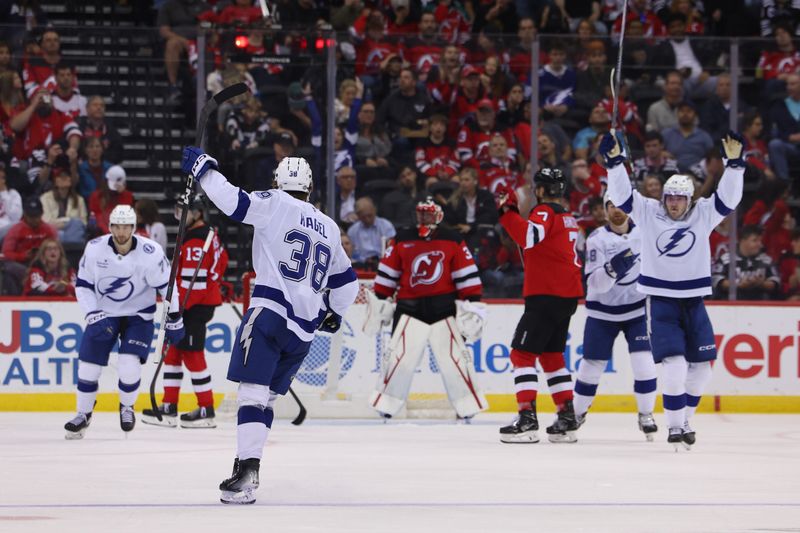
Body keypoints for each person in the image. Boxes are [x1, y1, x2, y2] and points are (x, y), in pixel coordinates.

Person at [180, 149, 358, 504]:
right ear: (310, 187)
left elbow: (233, 203)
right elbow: (347, 286)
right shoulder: (329, 226)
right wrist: (333, 312)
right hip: (304, 331)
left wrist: (204, 171)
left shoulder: (275, 202)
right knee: (267, 399)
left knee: (251, 394)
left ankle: (247, 469)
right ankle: (246, 468)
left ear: (278, 182)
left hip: (269, 313)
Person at [600, 129, 744, 450]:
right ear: (663, 197)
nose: (675, 203)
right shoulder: (649, 213)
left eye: (680, 198)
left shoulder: (702, 213)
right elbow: (623, 197)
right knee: (676, 364)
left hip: (694, 300)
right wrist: (614, 165)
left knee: (702, 369)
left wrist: (734, 167)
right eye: (670, 197)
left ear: (689, 198)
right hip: (661, 301)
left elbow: (729, 200)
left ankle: (684, 420)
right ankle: (675, 427)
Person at [64, 204, 185, 439]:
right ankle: (83, 414)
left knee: (129, 367)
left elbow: (168, 288)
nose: (121, 232)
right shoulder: (95, 249)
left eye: (126, 227)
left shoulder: (151, 252)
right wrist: (93, 314)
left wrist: (174, 317)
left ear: (134, 227)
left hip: (138, 316)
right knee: (88, 368)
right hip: (104, 315)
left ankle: (127, 407)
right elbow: (84, 287)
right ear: (110, 227)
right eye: (117, 226)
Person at [370, 198, 487, 419]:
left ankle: (467, 407)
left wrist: (472, 299)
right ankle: (386, 405)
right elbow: (387, 273)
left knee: (456, 360)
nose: (424, 219)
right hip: (408, 308)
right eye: (421, 214)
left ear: (439, 216)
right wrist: (381, 296)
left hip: (443, 309)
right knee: (398, 359)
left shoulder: (452, 239)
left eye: (428, 214)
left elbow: (465, 273)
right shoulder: (402, 239)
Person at [495, 168, 584, 444]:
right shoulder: (569, 218)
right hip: (566, 296)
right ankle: (567, 418)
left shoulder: (545, 212)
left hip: (545, 294)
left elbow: (528, 237)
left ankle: (527, 419)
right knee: (552, 357)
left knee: (521, 355)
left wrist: (508, 212)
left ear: (540, 190)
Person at [574, 194, 658, 440]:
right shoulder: (597, 239)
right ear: (605, 209)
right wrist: (614, 267)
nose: (617, 210)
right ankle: (575, 415)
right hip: (602, 313)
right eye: (611, 205)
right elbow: (595, 285)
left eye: (621, 205)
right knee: (591, 367)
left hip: (637, 310)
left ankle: (646, 415)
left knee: (644, 363)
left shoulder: (644, 233)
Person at [143, 198, 229, 428]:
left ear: (198, 213)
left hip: (193, 306)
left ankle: (206, 409)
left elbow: (201, 278)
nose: (179, 214)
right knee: (172, 354)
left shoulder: (199, 239)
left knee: (192, 355)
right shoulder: (196, 235)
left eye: (184, 210)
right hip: (187, 304)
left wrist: (179, 306)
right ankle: (169, 405)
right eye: (177, 209)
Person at [1, 197, 57, 295]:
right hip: (22, 264)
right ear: (25, 215)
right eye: (31, 216)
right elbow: (6, 253)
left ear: (41, 214)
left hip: (43, 264)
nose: (34, 220)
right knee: (9, 267)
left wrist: (43, 256)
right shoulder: (16, 230)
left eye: (37, 216)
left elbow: (56, 249)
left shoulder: (48, 230)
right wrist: (23, 256)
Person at [712, 225, 780, 300]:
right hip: (730, 306)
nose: (759, 244)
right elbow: (716, 280)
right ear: (743, 241)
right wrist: (738, 284)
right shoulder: (726, 259)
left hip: (760, 306)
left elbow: (775, 282)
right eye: (755, 240)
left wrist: (761, 284)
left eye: (760, 241)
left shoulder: (766, 260)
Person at [39, 164, 87, 245]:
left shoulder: (79, 199)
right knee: (61, 233)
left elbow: (83, 223)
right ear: (55, 181)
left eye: (67, 176)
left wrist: (64, 224)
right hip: (53, 233)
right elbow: (46, 221)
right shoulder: (45, 198)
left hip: (74, 233)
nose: (64, 178)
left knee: (76, 224)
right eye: (60, 176)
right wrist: (68, 223)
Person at [346, 197, 396, 268]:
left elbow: (393, 248)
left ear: (374, 210)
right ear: (358, 216)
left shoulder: (386, 226)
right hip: (361, 266)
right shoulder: (352, 231)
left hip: (383, 263)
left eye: (370, 215)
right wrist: (363, 260)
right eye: (363, 217)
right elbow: (351, 253)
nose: (367, 219)